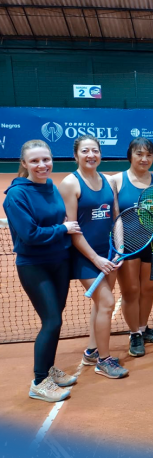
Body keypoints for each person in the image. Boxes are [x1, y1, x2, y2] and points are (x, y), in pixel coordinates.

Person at [3, 141, 80, 402]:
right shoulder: (17, 195)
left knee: (56, 318)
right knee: (52, 321)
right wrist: (63, 229)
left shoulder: (51, 186)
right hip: (34, 265)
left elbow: (59, 218)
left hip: (60, 262)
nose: (42, 165)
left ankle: (48, 370)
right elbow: (29, 234)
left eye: (46, 159)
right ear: (24, 163)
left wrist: (63, 229)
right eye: (35, 161)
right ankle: (39, 382)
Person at [59, 136, 129, 379]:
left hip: (109, 253)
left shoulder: (109, 180)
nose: (91, 155)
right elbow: (73, 229)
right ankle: (104, 360)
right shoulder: (70, 183)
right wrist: (96, 259)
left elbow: (116, 217)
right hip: (84, 255)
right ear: (75, 155)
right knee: (107, 303)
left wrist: (119, 248)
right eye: (85, 151)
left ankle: (91, 351)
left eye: (95, 150)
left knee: (100, 304)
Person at [109, 138, 153, 357]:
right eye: (139, 154)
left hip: (152, 245)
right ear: (130, 155)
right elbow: (115, 216)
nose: (144, 159)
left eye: (149, 155)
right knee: (131, 291)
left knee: (148, 289)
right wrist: (119, 246)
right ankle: (134, 333)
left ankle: (143, 329)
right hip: (128, 245)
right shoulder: (116, 181)